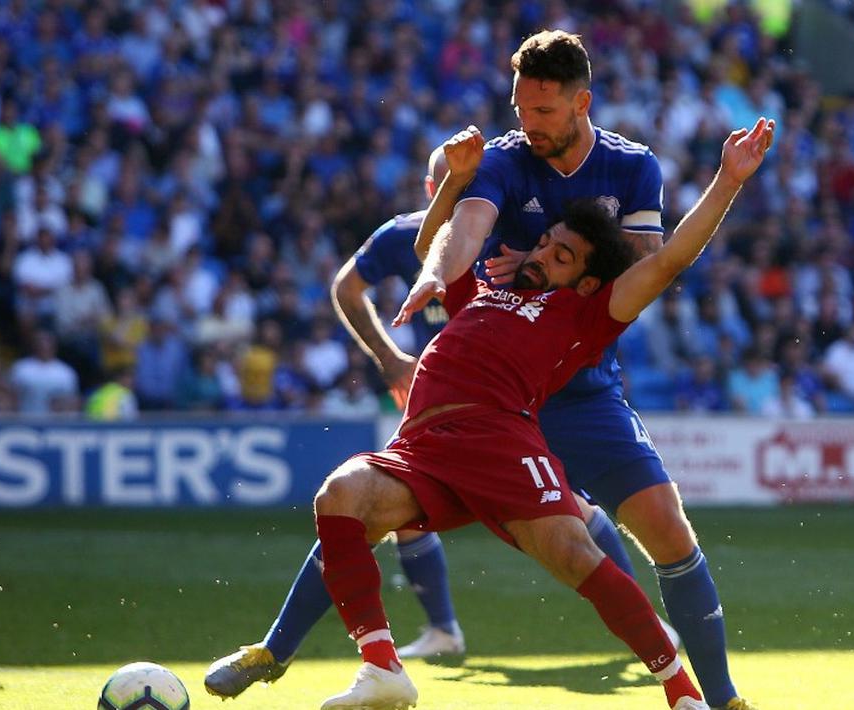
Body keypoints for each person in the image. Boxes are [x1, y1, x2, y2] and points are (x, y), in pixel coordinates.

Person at [312, 116, 772, 709]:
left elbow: (667, 262)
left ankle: (682, 692)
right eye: (545, 242)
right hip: (427, 446)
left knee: (576, 556)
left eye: (562, 257)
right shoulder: (491, 284)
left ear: (587, 282)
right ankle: (381, 667)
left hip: (501, 442)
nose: (542, 257)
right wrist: (454, 183)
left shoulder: (586, 314)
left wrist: (728, 181)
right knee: (340, 494)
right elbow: (431, 247)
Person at [206, 145, 655, 697]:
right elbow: (348, 285)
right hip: (437, 404)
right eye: (450, 183)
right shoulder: (409, 234)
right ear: (431, 188)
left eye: (472, 184)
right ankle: (309, 646)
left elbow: (593, 279)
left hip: (514, 404)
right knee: (360, 510)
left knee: (570, 514)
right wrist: (389, 357)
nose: (465, 192)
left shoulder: (513, 240)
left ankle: (653, 636)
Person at [406, 31, 757, 710]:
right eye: (519, 109)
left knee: (666, 526)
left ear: (581, 103)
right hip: (498, 397)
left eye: (541, 111)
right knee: (377, 503)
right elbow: (459, 233)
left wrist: (546, 267)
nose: (527, 124)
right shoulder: (502, 159)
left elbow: (652, 267)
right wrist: (438, 274)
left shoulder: (632, 168)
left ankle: (720, 699)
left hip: (582, 386)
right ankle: (308, 650)